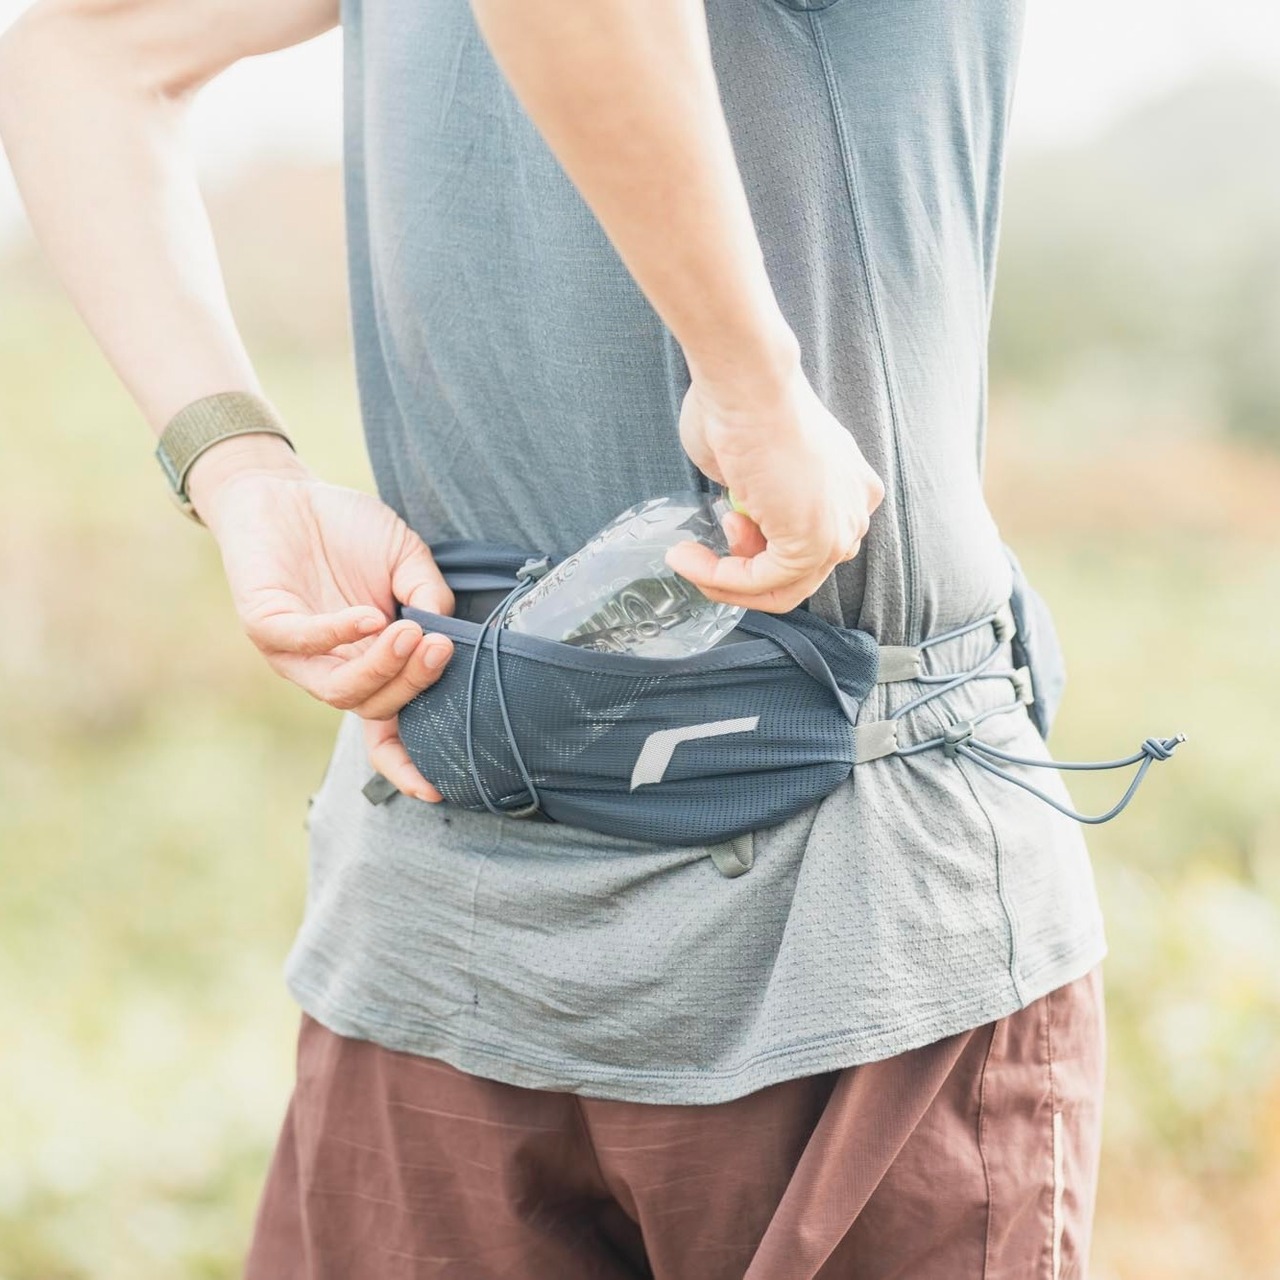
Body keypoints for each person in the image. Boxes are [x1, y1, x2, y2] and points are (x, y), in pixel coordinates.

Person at [0, 0, 1108, 1275]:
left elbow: (82, 53)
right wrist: (746, 379)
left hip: (447, 942)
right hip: (833, 943)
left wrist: (238, 467)